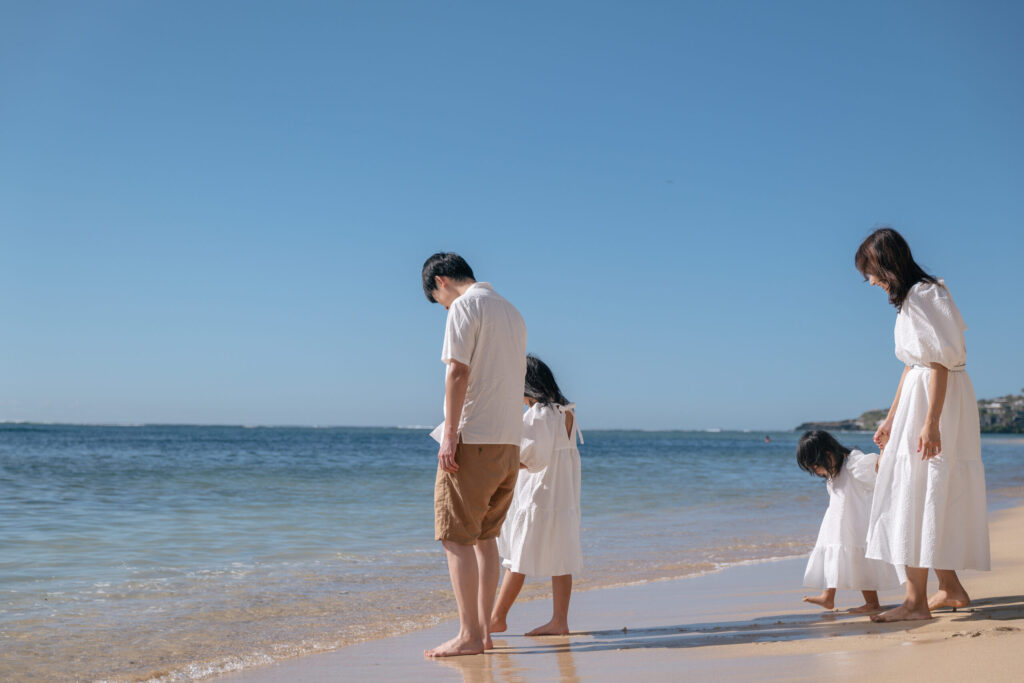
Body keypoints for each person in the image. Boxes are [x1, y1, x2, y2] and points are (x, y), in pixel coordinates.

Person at [855, 228, 990, 623]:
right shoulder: (919, 297)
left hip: (935, 399)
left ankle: (915, 602)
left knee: (914, 489)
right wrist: (891, 418)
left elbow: (938, 364)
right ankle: (950, 588)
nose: (870, 281)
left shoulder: (922, 297)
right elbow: (911, 365)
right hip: (925, 396)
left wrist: (931, 422)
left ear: (886, 264)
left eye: (871, 272)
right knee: (928, 488)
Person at [421, 252, 528, 657]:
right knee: (485, 539)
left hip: (476, 438)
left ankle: (469, 635)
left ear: (441, 281)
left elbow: (458, 371)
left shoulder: (465, 306)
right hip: (509, 442)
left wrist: (449, 435)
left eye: (438, 300)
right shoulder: (513, 312)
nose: (443, 307)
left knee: (455, 537)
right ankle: (483, 634)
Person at [490, 356, 583, 636]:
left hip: (539, 494)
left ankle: (497, 618)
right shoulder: (567, 412)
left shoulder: (539, 413)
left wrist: (498, 467)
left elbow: (532, 457)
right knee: (561, 557)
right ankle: (559, 621)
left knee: (517, 557)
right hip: (563, 495)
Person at [796, 430, 899, 613]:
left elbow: (878, 470)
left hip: (854, 524)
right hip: (835, 524)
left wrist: (884, 447)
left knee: (859, 562)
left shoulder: (853, 463)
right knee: (831, 556)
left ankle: (872, 603)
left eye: (816, 466)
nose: (817, 472)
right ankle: (828, 597)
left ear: (828, 454)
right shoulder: (833, 471)